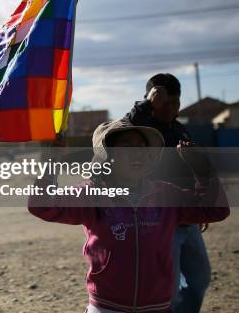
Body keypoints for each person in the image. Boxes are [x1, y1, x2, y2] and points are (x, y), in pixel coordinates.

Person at [28, 119, 229, 313]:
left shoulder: (165, 194)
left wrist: (202, 169)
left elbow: (214, 210)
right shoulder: (91, 194)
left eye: (142, 146)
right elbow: (42, 205)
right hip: (106, 307)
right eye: (126, 147)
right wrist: (51, 163)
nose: (137, 153)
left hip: (158, 307)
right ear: (107, 156)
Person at [123, 73, 211, 312]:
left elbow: (189, 168)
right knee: (167, 292)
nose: (172, 108)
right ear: (152, 100)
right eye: (165, 102)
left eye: (176, 102)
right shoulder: (140, 131)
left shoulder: (181, 131)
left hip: (186, 218)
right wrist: (145, 104)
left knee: (200, 279)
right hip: (159, 221)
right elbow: (120, 130)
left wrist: (198, 205)